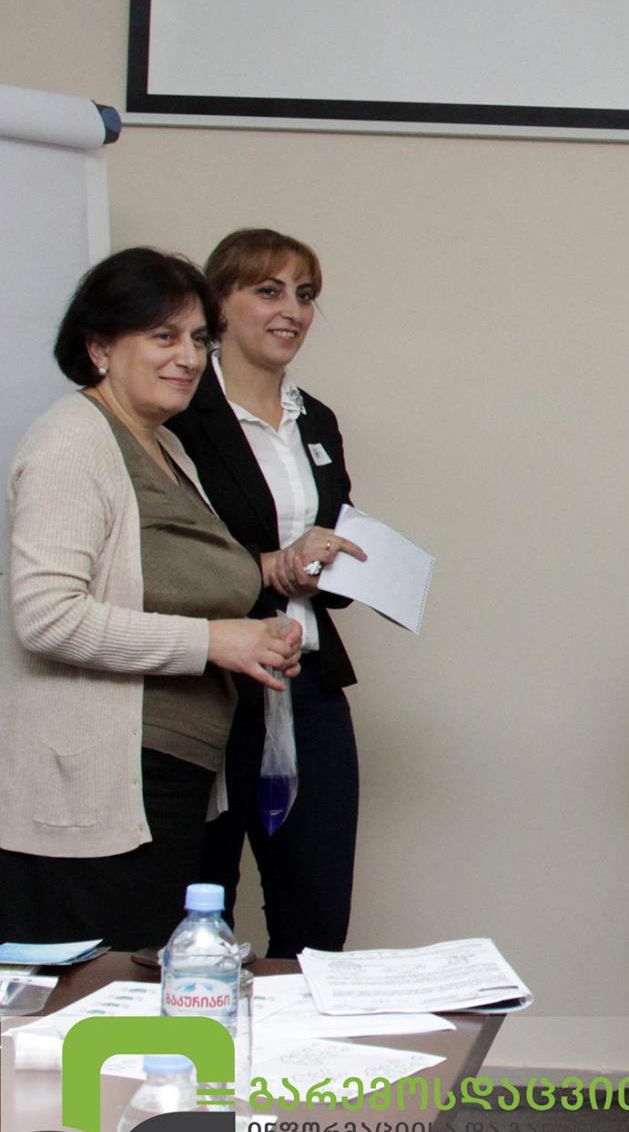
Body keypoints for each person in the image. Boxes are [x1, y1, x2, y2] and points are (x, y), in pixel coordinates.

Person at [0, 248, 302, 951]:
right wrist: (214, 641)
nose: (189, 357)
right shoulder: (74, 439)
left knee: (150, 992)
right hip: (95, 789)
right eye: (163, 336)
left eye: (198, 339)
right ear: (100, 346)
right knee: (91, 1002)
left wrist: (253, 634)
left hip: (160, 779)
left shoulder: (166, 448)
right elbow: (46, 616)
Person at [165, 229, 367, 957]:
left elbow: (333, 531)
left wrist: (349, 564)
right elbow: (166, 556)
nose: (293, 311)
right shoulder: (177, 412)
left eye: (305, 296)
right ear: (219, 304)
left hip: (307, 680)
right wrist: (272, 566)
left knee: (316, 913)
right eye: (269, 290)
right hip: (208, 684)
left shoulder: (317, 418)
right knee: (195, 906)